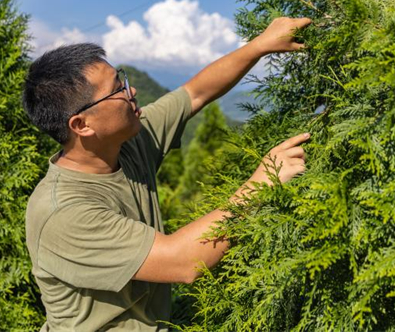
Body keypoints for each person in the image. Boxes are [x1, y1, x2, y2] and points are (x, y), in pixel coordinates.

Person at [22, 16, 313, 332]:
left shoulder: (126, 142)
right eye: (117, 90)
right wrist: (263, 182)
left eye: (122, 79)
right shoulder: (64, 213)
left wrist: (260, 45)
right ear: (82, 125)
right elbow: (185, 262)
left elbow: (195, 93)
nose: (131, 91)